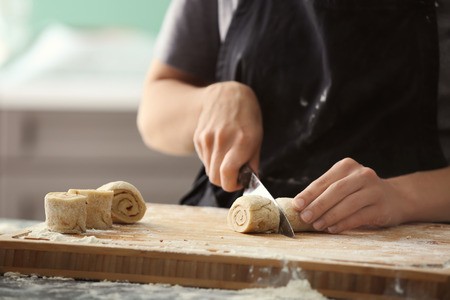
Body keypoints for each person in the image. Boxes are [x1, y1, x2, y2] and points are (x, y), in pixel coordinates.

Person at [137, 0, 450, 234]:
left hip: (403, 242)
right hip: (233, 232)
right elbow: (154, 112)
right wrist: (210, 101)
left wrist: (403, 197)